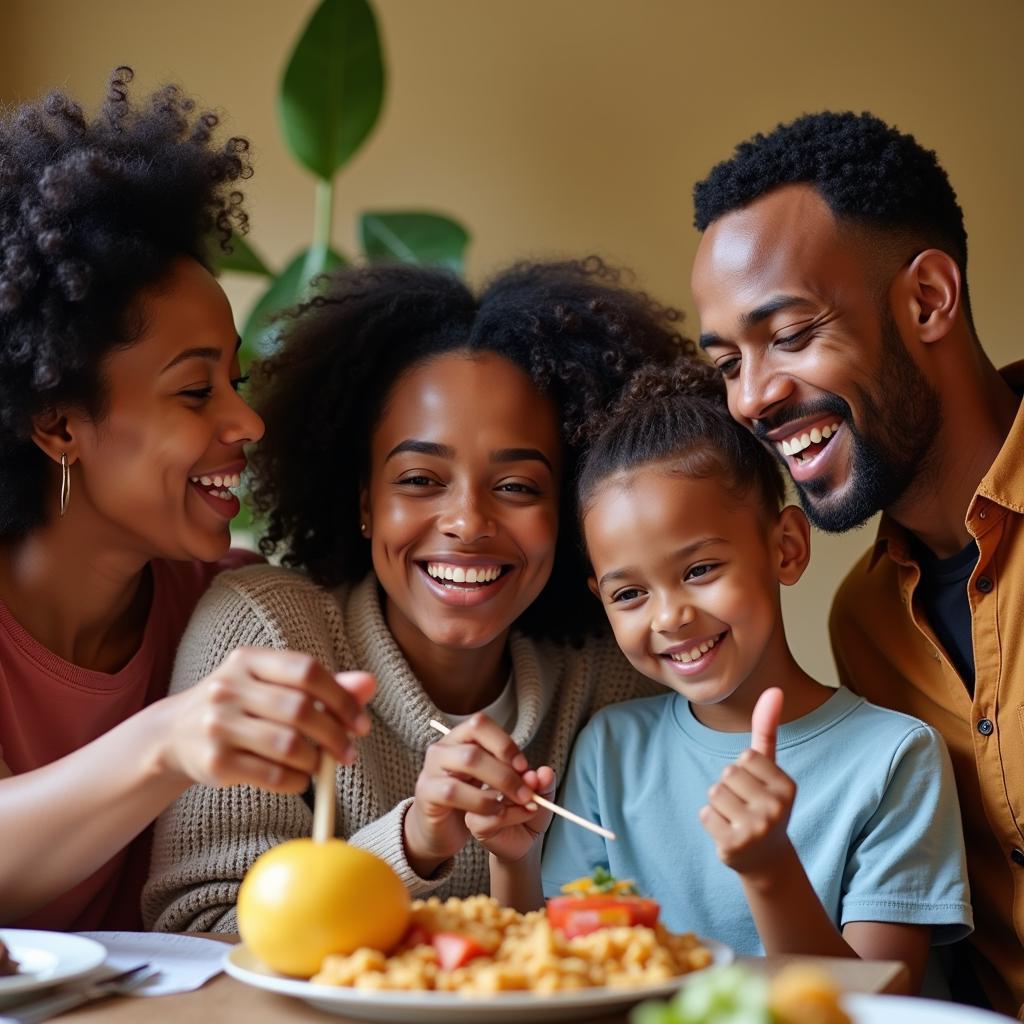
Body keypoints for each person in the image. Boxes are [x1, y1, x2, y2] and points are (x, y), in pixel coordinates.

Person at [143, 258, 689, 930]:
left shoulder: (613, 672)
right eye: (420, 480)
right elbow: (199, 927)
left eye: (517, 487)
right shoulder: (267, 634)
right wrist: (412, 842)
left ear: (571, 513)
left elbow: (640, 930)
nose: (466, 522)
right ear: (365, 499)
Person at [0, 68, 374, 931]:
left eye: (236, 379)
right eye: (196, 392)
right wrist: (166, 741)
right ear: (59, 424)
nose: (248, 421)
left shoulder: (224, 609)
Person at [689, 111, 1022, 1017]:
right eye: (727, 364)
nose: (752, 398)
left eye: (790, 335)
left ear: (926, 301)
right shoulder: (863, 619)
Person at [531, 363, 971, 994]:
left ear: (786, 548)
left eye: (701, 568)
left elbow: (881, 1002)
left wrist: (771, 872)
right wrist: (511, 857)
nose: (670, 615)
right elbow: (559, 971)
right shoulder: (610, 750)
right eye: (629, 593)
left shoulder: (896, 758)